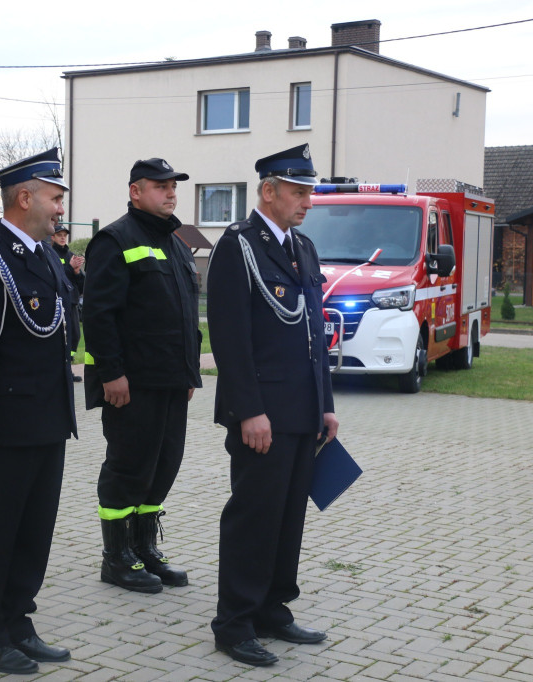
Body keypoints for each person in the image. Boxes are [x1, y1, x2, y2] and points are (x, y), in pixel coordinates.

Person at [208, 144, 338, 667]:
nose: (308, 200)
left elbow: (313, 333)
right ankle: (235, 622)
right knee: (254, 516)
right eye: (299, 191)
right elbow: (230, 338)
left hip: (302, 408)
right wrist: (248, 410)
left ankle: (272, 608)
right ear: (269, 191)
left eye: (310, 191)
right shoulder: (238, 246)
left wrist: (325, 403)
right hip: (261, 412)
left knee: (288, 517)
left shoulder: (302, 247)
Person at [0, 148, 77, 675]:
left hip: (48, 420)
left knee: (34, 533)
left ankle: (17, 621)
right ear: (24, 197)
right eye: (54, 198)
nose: (59, 209)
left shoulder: (46, 255)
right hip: (4, 427)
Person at [81, 157, 201, 594]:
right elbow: (98, 314)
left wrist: (189, 371)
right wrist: (111, 373)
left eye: (173, 186)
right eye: (160, 186)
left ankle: (144, 547)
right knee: (129, 466)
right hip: (131, 383)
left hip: (171, 379)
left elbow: (186, 312)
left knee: (163, 465)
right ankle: (116, 558)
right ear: (135, 191)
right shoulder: (114, 239)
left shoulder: (175, 242)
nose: (170, 193)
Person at [49, 225, 85, 382]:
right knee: (62, 337)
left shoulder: (70, 254)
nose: (62, 237)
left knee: (75, 336)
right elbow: (58, 275)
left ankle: (68, 368)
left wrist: (77, 271)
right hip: (59, 302)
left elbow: (81, 283)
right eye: (59, 235)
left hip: (72, 301)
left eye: (64, 235)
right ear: (52, 237)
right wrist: (71, 268)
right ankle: (61, 370)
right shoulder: (51, 254)